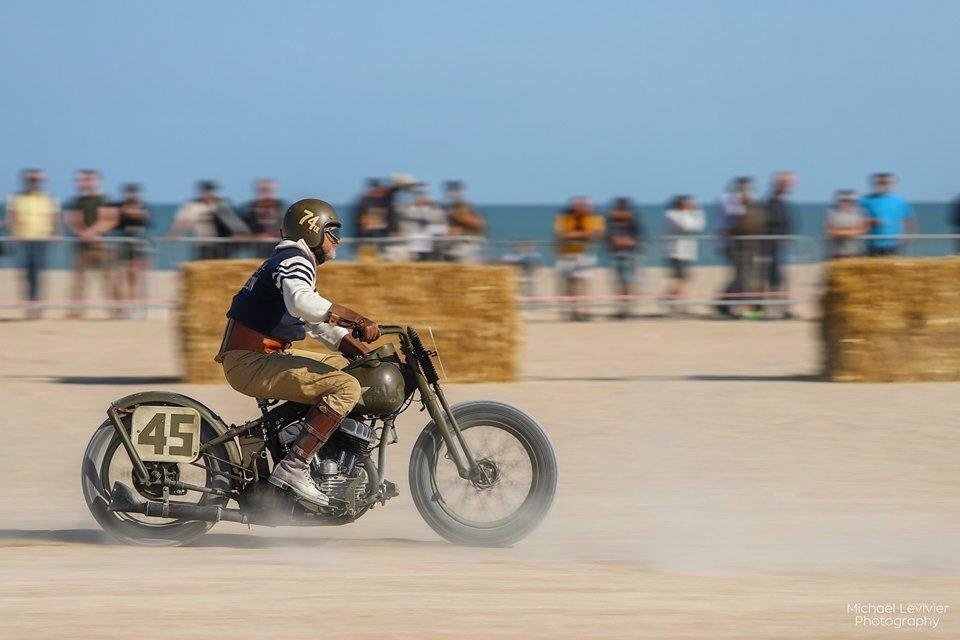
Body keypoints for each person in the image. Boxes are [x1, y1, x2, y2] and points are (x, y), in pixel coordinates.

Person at [216, 198, 380, 507]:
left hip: (259, 359)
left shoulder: (291, 262)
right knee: (346, 387)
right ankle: (295, 465)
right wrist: (355, 318)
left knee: (345, 373)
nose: (338, 241)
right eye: (333, 232)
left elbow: (314, 323)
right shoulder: (294, 259)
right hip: (252, 361)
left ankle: (307, 445)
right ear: (313, 229)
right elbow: (302, 304)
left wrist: (360, 351)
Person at [4, 169, 60, 319]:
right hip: (23, 240)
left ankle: (37, 305)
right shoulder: (17, 198)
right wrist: (14, 233)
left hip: (41, 240)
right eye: (31, 180)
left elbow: (55, 217)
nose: (34, 183)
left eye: (37, 180)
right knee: (26, 273)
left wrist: (54, 233)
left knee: (39, 273)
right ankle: (29, 304)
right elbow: (11, 218)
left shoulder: (48, 199)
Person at [64, 169, 118, 318]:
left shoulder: (106, 199)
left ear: (97, 181)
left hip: (103, 244)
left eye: (89, 179)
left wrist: (94, 232)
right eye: (82, 180)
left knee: (110, 278)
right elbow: (70, 220)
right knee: (79, 280)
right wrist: (82, 233)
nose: (85, 183)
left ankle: (116, 311)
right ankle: (75, 312)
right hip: (81, 244)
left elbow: (110, 219)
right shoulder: (74, 201)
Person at [715, 177, 764, 319]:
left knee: (743, 277)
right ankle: (725, 304)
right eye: (748, 188)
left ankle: (725, 304)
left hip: (746, 244)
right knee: (742, 278)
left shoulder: (741, 201)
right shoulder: (728, 199)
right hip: (735, 245)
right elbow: (736, 219)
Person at [167, 181, 249, 259]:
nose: (215, 193)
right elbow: (183, 221)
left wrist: (240, 232)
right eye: (212, 191)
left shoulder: (221, 204)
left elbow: (233, 221)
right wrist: (174, 234)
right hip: (202, 243)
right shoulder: (193, 205)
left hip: (220, 242)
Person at [554, 196, 605, 321]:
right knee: (569, 283)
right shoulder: (564, 217)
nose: (580, 208)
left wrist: (574, 235)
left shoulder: (594, 217)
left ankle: (585, 310)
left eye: (583, 205)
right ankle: (572, 310)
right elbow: (561, 235)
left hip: (585, 254)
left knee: (584, 282)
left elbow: (597, 234)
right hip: (566, 253)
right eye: (577, 205)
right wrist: (584, 235)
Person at [113, 183, 152, 316]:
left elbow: (145, 219)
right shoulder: (119, 206)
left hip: (138, 244)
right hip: (124, 243)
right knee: (121, 276)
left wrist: (130, 213)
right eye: (129, 193)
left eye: (134, 193)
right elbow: (116, 221)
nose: (132, 195)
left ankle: (135, 307)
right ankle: (123, 309)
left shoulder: (143, 206)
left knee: (135, 277)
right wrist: (128, 212)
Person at [762, 171, 797, 318]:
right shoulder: (771, 204)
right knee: (773, 279)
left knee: (780, 279)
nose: (791, 186)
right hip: (770, 248)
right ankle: (773, 310)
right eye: (787, 183)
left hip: (779, 247)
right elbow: (767, 225)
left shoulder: (782, 203)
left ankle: (782, 309)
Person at [662, 195, 706, 303]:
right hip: (675, 251)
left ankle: (672, 297)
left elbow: (699, 226)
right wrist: (689, 212)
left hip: (687, 251)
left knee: (685, 278)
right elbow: (686, 226)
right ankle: (671, 297)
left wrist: (697, 212)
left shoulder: (689, 214)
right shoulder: (671, 214)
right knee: (680, 277)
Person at [605, 197, 643, 319]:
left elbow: (636, 240)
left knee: (630, 282)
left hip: (630, 255)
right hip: (616, 255)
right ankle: (621, 309)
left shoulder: (633, 221)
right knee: (618, 282)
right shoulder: (611, 221)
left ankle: (629, 309)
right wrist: (621, 241)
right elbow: (610, 239)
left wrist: (625, 242)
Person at [861, 173, 915, 256]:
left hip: (893, 244)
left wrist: (909, 237)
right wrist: (870, 221)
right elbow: (856, 219)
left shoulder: (900, 201)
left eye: (885, 182)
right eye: (879, 183)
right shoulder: (865, 200)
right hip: (872, 243)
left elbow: (910, 220)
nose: (882, 185)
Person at [442, 180, 486, 263]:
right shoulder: (451, 207)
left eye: (455, 191)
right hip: (454, 244)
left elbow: (477, 224)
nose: (451, 194)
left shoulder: (464, 206)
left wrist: (458, 217)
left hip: (467, 244)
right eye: (450, 191)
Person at [241, 179, 285, 257]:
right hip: (255, 251)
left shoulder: (285, 209)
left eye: (268, 190)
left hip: (279, 250)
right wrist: (257, 237)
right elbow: (239, 235)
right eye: (263, 190)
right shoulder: (246, 211)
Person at [403, 189, 448, 261]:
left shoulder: (437, 211)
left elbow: (443, 227)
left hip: (432, 243)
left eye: (422, 196)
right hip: (413, 243)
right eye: (417, 197)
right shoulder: (407, 210)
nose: (420, 199)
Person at [352, 179, 390, 262]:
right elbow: (360, 220)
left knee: (380, 257)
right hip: (366, 236)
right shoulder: (364, 202)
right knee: (366, 257)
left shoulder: (384, 201)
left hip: (379, 236)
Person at [824, 190, 869, 259]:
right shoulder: (831, 213)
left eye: (850, 201)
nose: (847, 203)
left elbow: (863, 230)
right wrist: (852, 232)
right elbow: (829, 231)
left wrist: (840, 232)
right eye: (843, 200)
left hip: (855, 253)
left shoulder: (860, 212)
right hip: (836, 254)